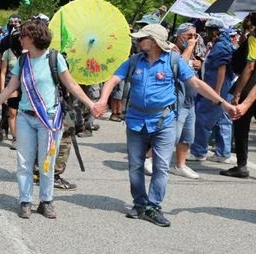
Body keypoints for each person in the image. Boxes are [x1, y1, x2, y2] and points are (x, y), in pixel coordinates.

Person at [94, 24, 236, 227]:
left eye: (141, 38)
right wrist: (102, 100)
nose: (137, 40)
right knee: (135, 166)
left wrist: (223, 104)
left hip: (164, 122)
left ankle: (153, 207)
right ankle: (140, 203)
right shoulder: (134, 61)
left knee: (161, 167)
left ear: (153, 42)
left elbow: (196, 84)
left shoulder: (174, 61)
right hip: (135, 122)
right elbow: (113, 80)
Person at [0, 20, 97, 219]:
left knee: (47, 161)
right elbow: (11, 88)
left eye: (23, 36)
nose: (19, 39)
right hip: (25, 117)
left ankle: (46, 201)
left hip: (50, 118)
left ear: (34, 38)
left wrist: (91, 104)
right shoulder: (22, 60)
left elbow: (71, 85)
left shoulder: (54, 58)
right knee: (24, 162)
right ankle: (25, 200)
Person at [222, 12, 256, 181]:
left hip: (252, 87)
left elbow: (250, 65)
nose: (252, 16)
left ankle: (242, 166)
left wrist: (238, 92)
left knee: (240, 125)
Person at [190, 20, 235, 164]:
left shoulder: (220, 46)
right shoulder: (222, 44)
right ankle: (223, 153)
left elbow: (221, 69)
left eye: (208, 30)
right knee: (223, 120)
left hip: (216, 87)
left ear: (214, 30)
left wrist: (216, 92)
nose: (206, 33)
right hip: (225, 88)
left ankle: (199, 151)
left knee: (203, 118)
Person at [169, 23, 201, 179]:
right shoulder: (171, 49)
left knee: (187, 137)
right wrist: (189, 48)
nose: (192, 39)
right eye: (189, 35)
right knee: (171, 136)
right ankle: (149, 159)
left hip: (190, 101)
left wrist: (198, 63)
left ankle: (180, 165)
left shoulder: (191, 52)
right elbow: (179, 65)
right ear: (179, 35)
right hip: (177, 102)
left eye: (195, 36)